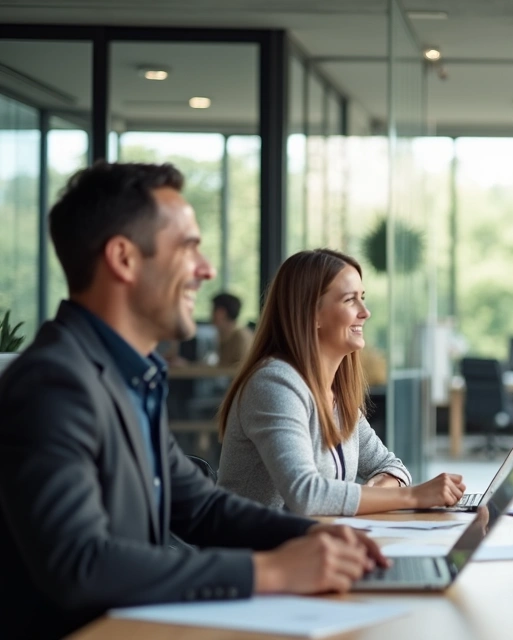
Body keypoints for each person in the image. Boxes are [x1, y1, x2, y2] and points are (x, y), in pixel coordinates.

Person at [0, 162, 387, 640]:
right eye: (188, 247)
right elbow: (81, 564)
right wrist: (272, 573)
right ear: (124, 259)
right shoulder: (54, 384)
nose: (206, 270)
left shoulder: (130, 377)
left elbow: (203, 510)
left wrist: (313, 536)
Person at [216, 249, 466, 516]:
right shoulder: (275, 384)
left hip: (313, 547)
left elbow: (391, 465)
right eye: (350, 300)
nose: (365, 312)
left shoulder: (335, 395)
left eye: (363, 298)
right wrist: (412, 496)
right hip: (255, 553)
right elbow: (306, 494)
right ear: (312, 314)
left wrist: (385, 491)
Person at [212, 292, 254, 366]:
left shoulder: (241, 336)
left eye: (213, 310)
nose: (211, 315)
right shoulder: (224, 336)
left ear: (221, 313)